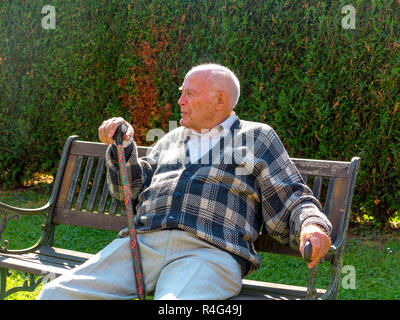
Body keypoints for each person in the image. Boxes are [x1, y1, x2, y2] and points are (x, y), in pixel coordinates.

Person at [38, 63, 332, 300]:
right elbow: (129, 194)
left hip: (209, 252)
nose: (180, 100)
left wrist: (312, 225)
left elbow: (292, 194)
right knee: (54, 294)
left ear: (221, 100)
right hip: (141, 245)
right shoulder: (171, 139)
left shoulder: (257, 137)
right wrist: (123, 148)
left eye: (189, 94)